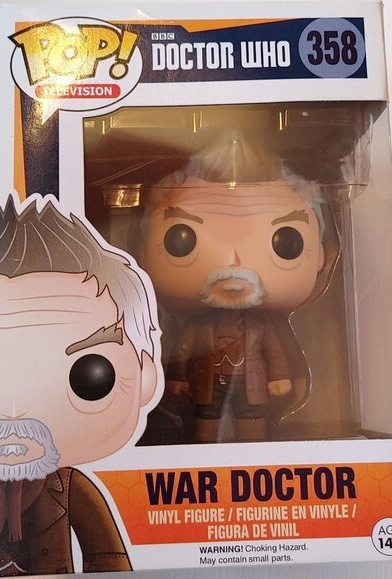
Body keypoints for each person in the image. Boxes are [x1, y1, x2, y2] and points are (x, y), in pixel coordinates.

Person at [0, 196, 160, 575]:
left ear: (145, 376)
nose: (16, 411)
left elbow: (108, 559)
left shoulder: (70, 489)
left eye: (90, 376)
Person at [138, 134, 325, 443]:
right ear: (142, 255)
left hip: (251, 385)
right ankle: (206, 451)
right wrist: (176, 378)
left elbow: (274, 353)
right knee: (205, 424)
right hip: (206, 386)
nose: (232, 263)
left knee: (251, 421)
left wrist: (278, 376)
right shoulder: (198, 326)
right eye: (180, 240)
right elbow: (182, 352)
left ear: (321, 256)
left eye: (286, 243)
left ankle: (252, 450)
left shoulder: (260, 326)